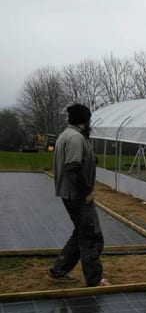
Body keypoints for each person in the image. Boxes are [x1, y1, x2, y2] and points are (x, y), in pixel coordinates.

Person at [48, 104, 110, 287]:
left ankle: (57, 271)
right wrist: (86, 192)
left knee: (81, 233)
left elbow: (77, 161)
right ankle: (95, 279)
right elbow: (73, 166)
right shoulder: (75, 138)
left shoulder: (68, 134)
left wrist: (91, 159)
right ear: (85, 120)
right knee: (91, 236)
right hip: (77, 195)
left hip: (71, 193)